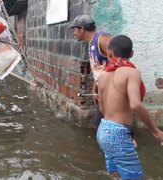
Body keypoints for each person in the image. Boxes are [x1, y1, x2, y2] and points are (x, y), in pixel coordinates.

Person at [97, 35, 163, 179]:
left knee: (116, 174)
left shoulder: (102, 75)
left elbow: (102, 108)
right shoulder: (131, 73)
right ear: (132, 54)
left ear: (109, 54)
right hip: (118, 134)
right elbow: (135, 105)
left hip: (103, 131)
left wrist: (127, 135)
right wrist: (156, 131)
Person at [68, 14, 112, 127]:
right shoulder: (91, 42)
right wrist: (95, 86)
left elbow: (120, 60)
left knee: (109, 126)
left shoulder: (101, 39)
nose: (73, 33)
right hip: (103, 90)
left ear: (82, 29)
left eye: (74, 29)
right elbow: (99, 68)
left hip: (112, 91)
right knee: (101, 126)